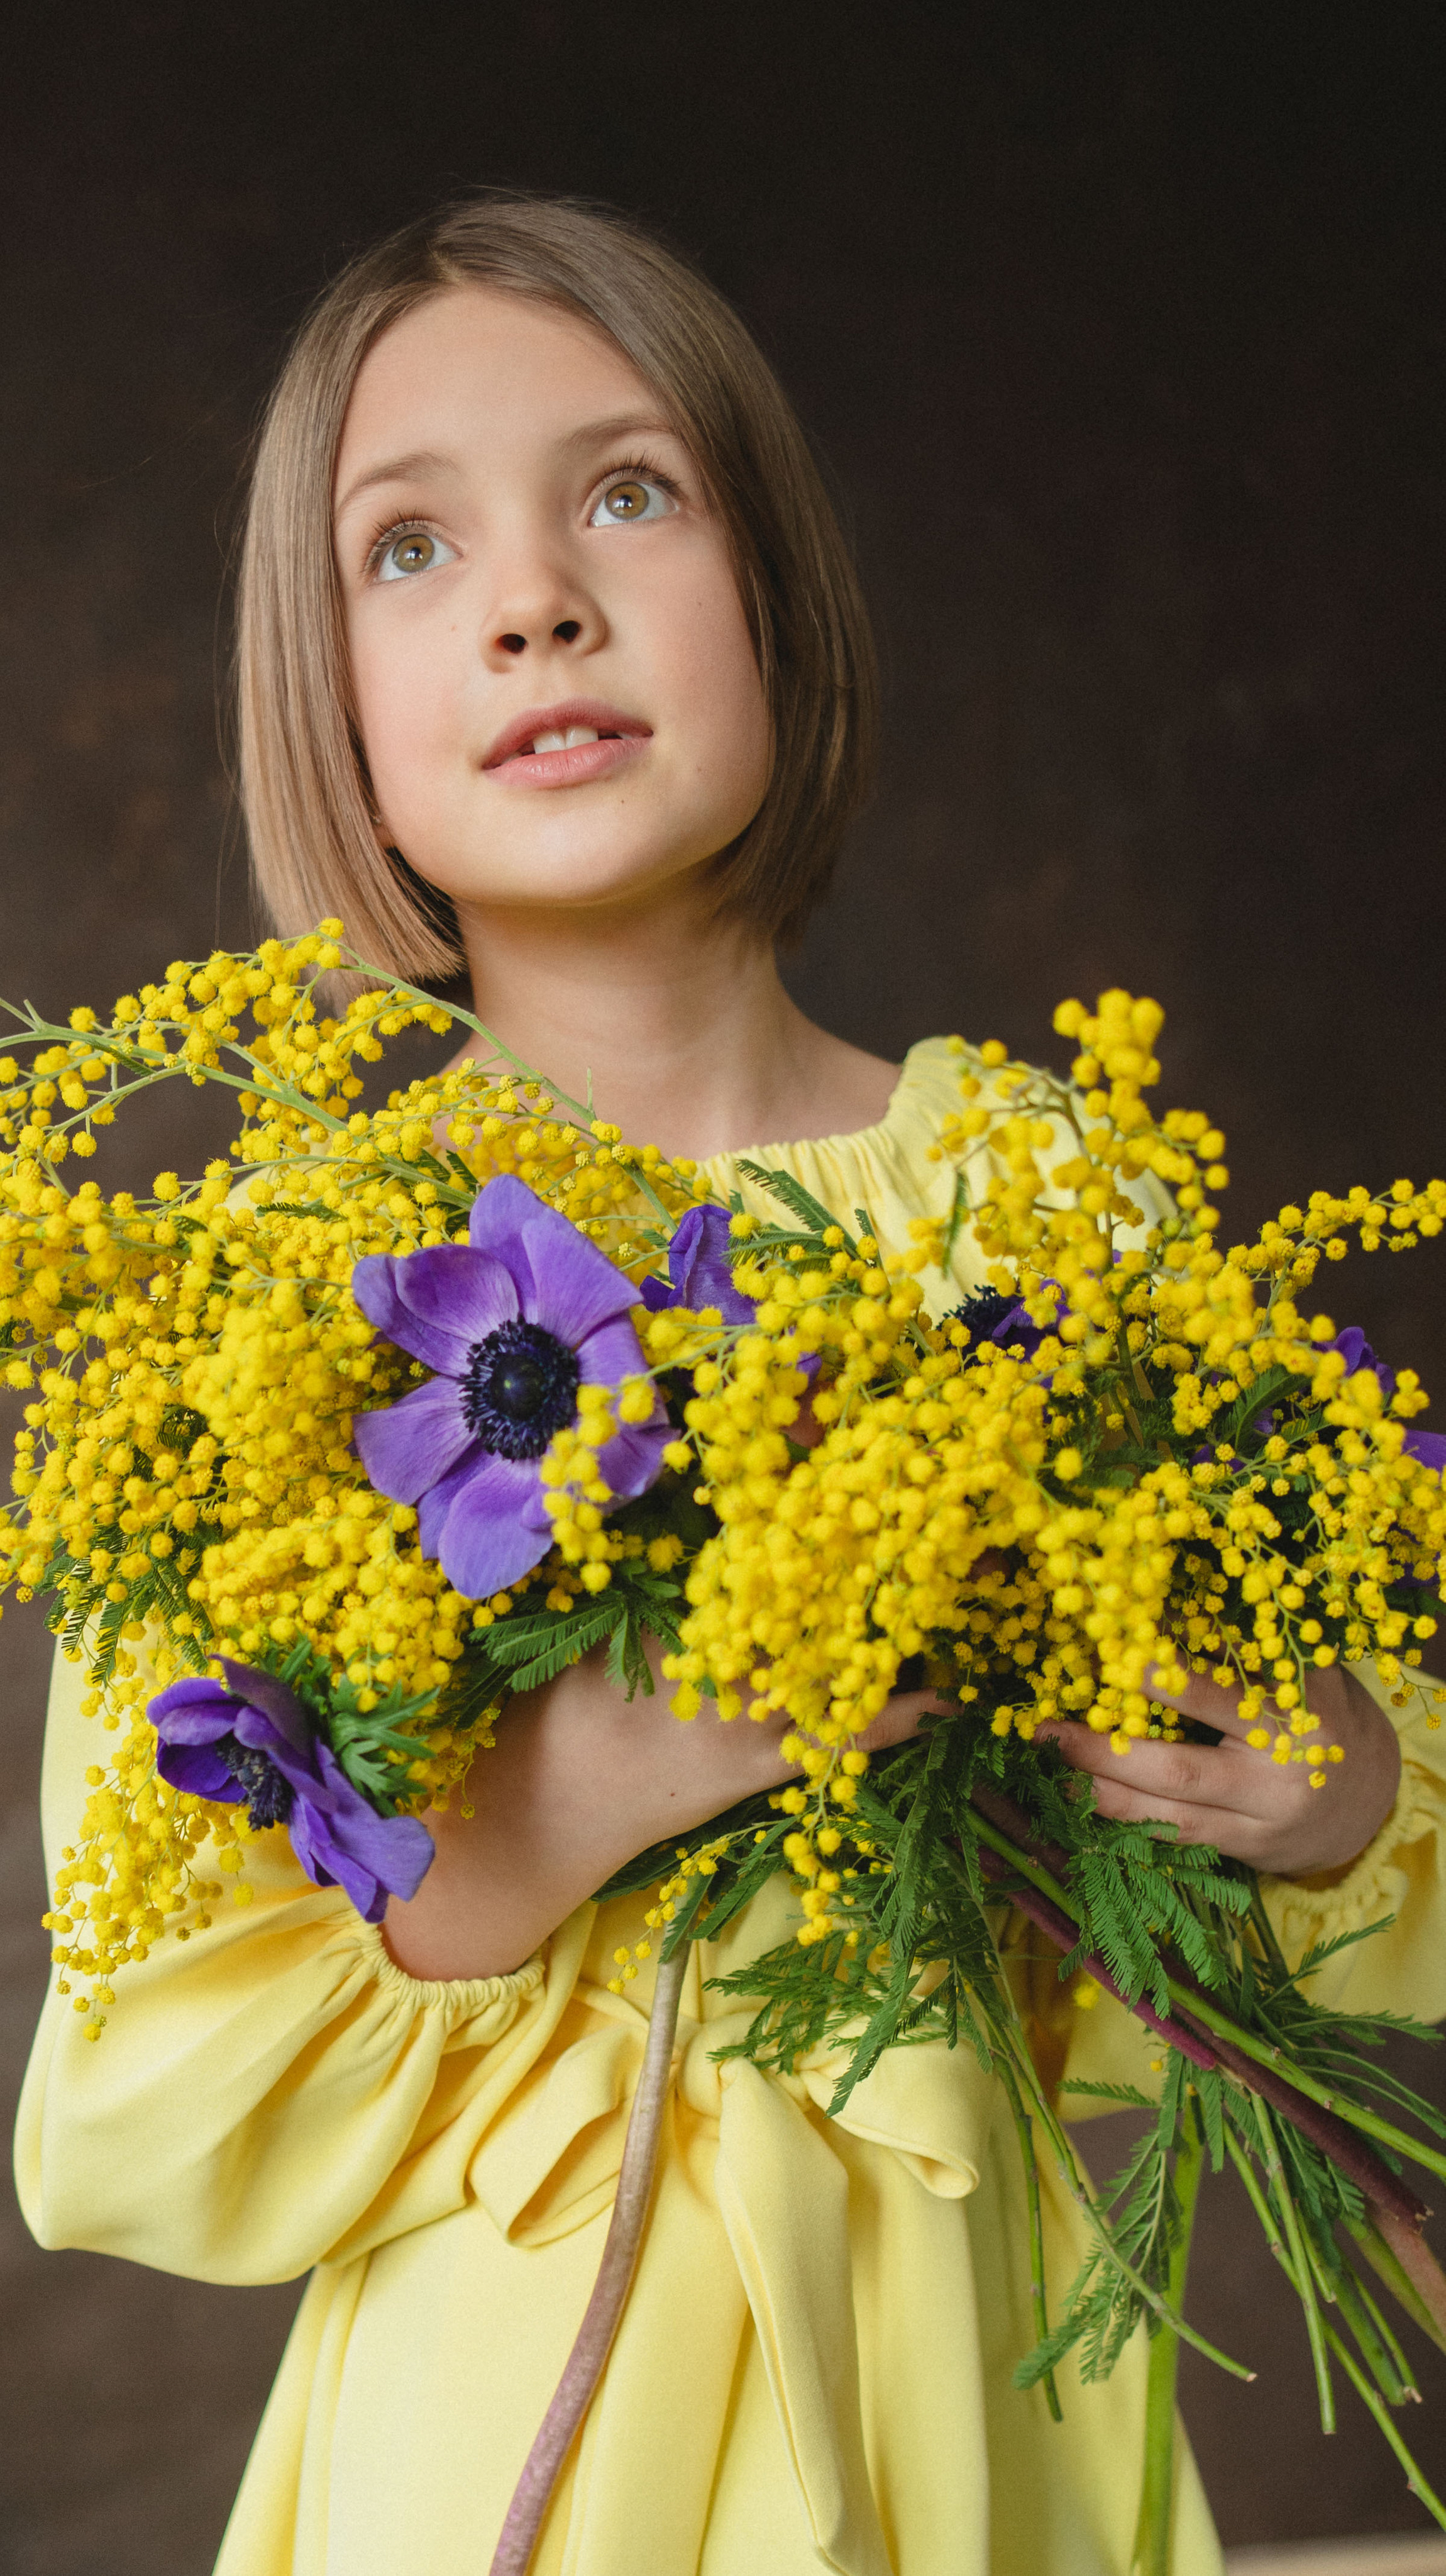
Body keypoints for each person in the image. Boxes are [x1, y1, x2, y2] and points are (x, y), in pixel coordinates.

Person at [16, 195, 1446, 2576]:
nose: (533, 598)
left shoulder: (1045, 1205)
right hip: (506, 2449)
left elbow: (1371, 1774)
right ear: (331, 713)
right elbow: (134, 2084)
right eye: (405, 548)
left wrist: (1308, 1792)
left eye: (630, 494)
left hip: (984, 2435)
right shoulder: (291, 1285)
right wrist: (566, 1798)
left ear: (777, 592)